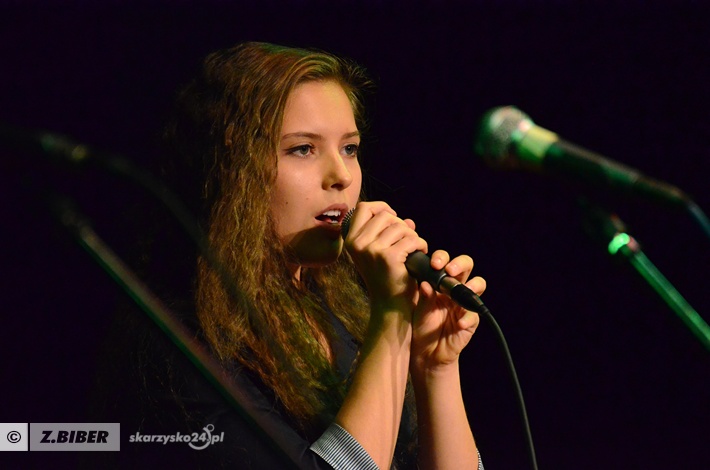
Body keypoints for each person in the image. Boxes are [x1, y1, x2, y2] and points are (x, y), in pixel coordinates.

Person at [94, 41, 486, 469]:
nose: (341, 176)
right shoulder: (177, 340)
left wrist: (434, 366)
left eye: (350, 148)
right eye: (303, 149)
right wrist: (392, 318)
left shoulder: (340, 312)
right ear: (231, 168)